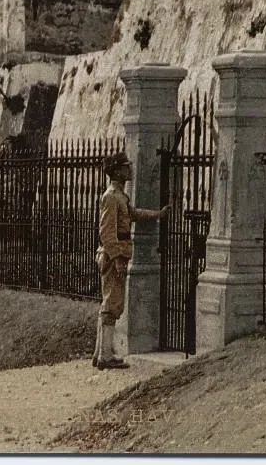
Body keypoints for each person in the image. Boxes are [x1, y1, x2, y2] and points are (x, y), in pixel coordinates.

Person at [93, 151, 168, 369]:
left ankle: (101, 353)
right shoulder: (111, 196)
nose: (129, 170)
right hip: (113, 255)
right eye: (126, 167)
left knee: (110, 303)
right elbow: (107, 233)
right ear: (117, 171)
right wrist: (117, 257)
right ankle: (105, 356)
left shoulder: (119, 196)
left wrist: (157, 214)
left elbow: (132, 214)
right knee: (113, 304)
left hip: (115, 254)